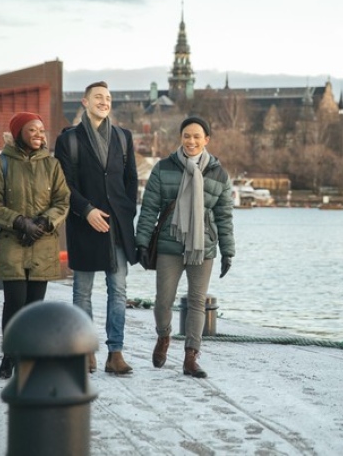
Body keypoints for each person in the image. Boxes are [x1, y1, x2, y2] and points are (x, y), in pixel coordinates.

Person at [135, 116, 235, 378]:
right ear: (181, 138)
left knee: (197, 302)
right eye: (187, 136)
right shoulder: (163, 168)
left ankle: (191, 356)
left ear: (206, 140)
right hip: (169, 243)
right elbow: (149, 210)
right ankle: (164, 336)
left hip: (204, 246)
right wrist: (142, 241)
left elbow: (224, 216)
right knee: (163, 301)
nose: (191, 141)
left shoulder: (218, 173)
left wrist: (228, 251)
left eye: (196, 137)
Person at [54, 81, 138, 375]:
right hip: (84, 224)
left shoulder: (123, 138)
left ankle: (116, 353)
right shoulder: (69, 141)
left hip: (116, 226)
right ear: (85, 102)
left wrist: (126, 211)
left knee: (118, 291)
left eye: (108, 98)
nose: (105, 101)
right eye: (98, 97)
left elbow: (130, 180)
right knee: (82, 291)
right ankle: (85, 350)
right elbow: (63, 185)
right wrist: (86, 210)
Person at [0, 112, 70, 379]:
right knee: (14, 301)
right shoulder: (1, 164)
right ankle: (10, 355)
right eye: (32, 130)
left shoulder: (52, 165)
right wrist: (21, 223)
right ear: (19, 132)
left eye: (42, 130)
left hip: (43, 244)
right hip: (12, 242)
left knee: (35, 304)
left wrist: (44, 223)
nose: (39, 135)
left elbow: (62, 201)